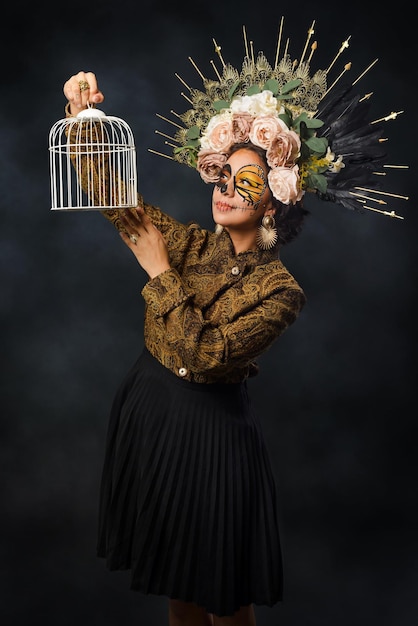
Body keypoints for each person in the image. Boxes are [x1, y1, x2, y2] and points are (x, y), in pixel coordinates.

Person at [60, 23, 404, 626]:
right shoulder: (193, 244)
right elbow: (116, 198)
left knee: (223, 592)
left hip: (213, 438)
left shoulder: (281, 291)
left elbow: (208, 358)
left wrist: (159, 273)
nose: (225, 189)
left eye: (246, 181)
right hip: (154, 414)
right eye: (223, 175)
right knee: (177, 578)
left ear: (273, 198)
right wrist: (83, 120)